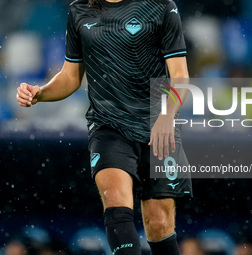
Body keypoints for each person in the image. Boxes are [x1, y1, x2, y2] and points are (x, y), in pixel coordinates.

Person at [16, 0, 192, 254]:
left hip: (157, 125)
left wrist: (166, 116)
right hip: (108, 126)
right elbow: (70, 76)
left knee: (159, 223)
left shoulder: (161, 6)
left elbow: (180, 76)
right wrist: (40, 93)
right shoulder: (79, 11)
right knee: (115, 199)